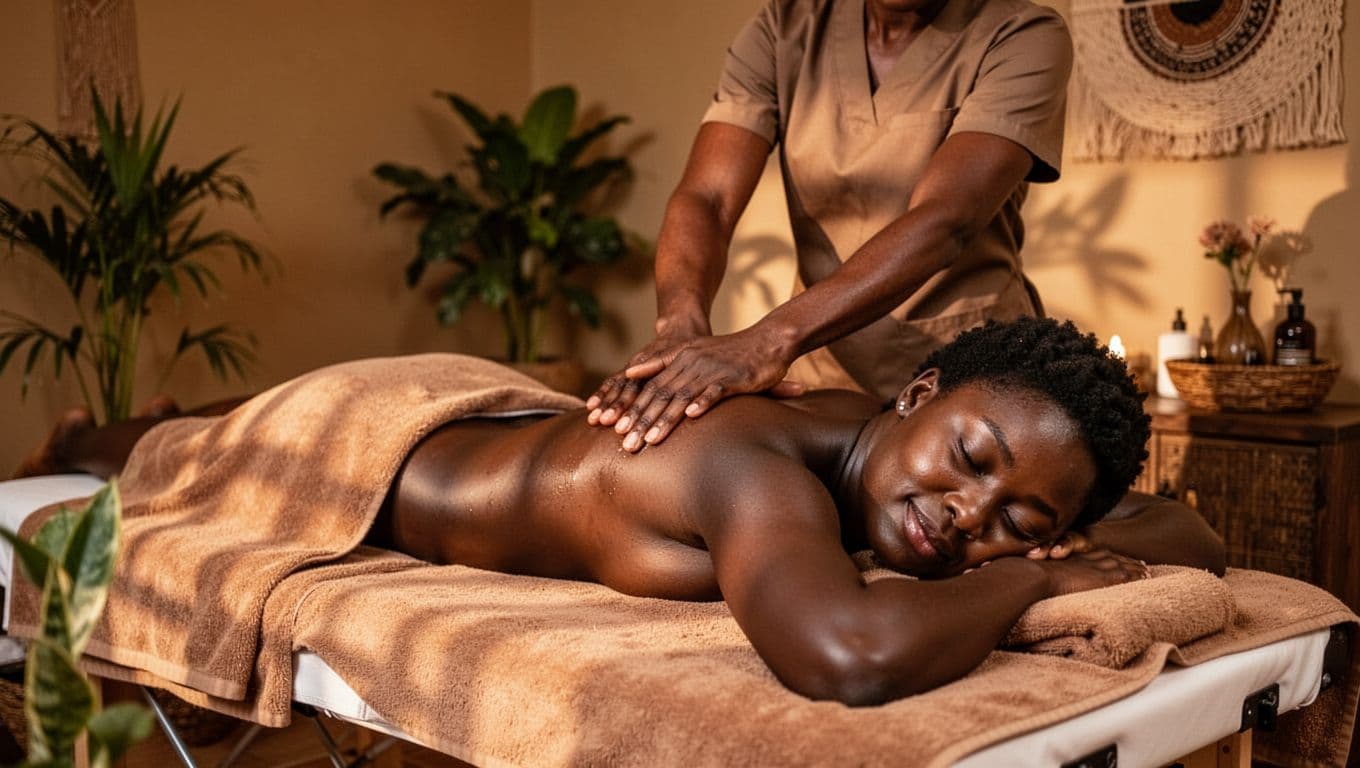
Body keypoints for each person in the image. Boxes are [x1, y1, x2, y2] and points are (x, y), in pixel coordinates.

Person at [19, 318, 1224, 705]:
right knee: (175, 448)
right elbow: (844, 654)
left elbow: (1194, 535)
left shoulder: (870, 446)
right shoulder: (755, 470)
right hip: (363, 444)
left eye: (1018, 518)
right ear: (918, 397)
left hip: (487, 418)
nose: (966, 514)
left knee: (196, 428)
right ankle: (86, 437)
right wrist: (1033, 577)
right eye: (970, 458)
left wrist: (1062, 536)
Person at [587, 0, 1073, 453]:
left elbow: (945, 220)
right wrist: (680, 327)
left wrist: (766, 342)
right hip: (824, 375)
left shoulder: (1021, 33)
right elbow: (708, 198)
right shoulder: (788, 25)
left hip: (973, 383)